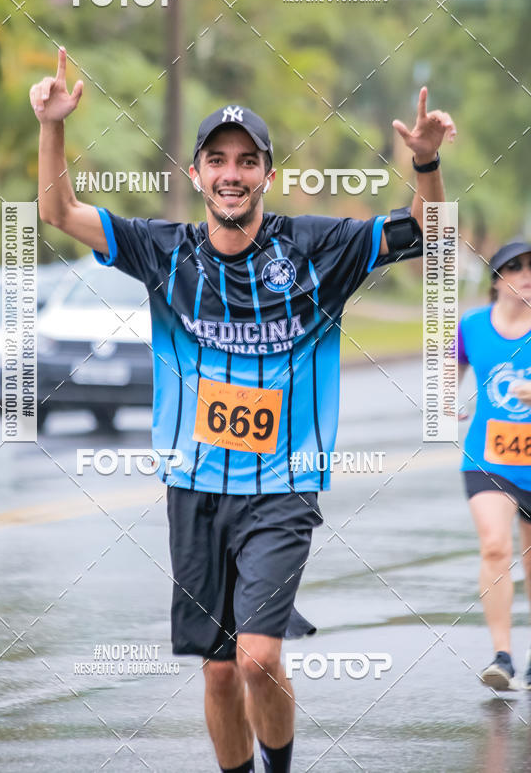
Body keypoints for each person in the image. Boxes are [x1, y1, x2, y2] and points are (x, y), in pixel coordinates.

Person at [30, 47, 455, 772]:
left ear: (266, 174)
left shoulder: (319, 247)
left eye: (247, 160)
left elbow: (428, 230)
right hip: (194, 488)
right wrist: (52, 127)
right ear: (196, 175)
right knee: (219, 670)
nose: (232, 173)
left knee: (258, 659)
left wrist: (423, 167)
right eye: (217, 160)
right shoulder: (164, 252)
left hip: (282, 489)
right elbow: (58, 211)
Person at [458, 241, 531, 691]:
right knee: (495, 547)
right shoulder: (472, 327)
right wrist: (446, 404)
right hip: (490, 457)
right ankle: (502, 657)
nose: (526, 275)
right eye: (516, 267)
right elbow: (445, 377)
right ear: (497, 279)